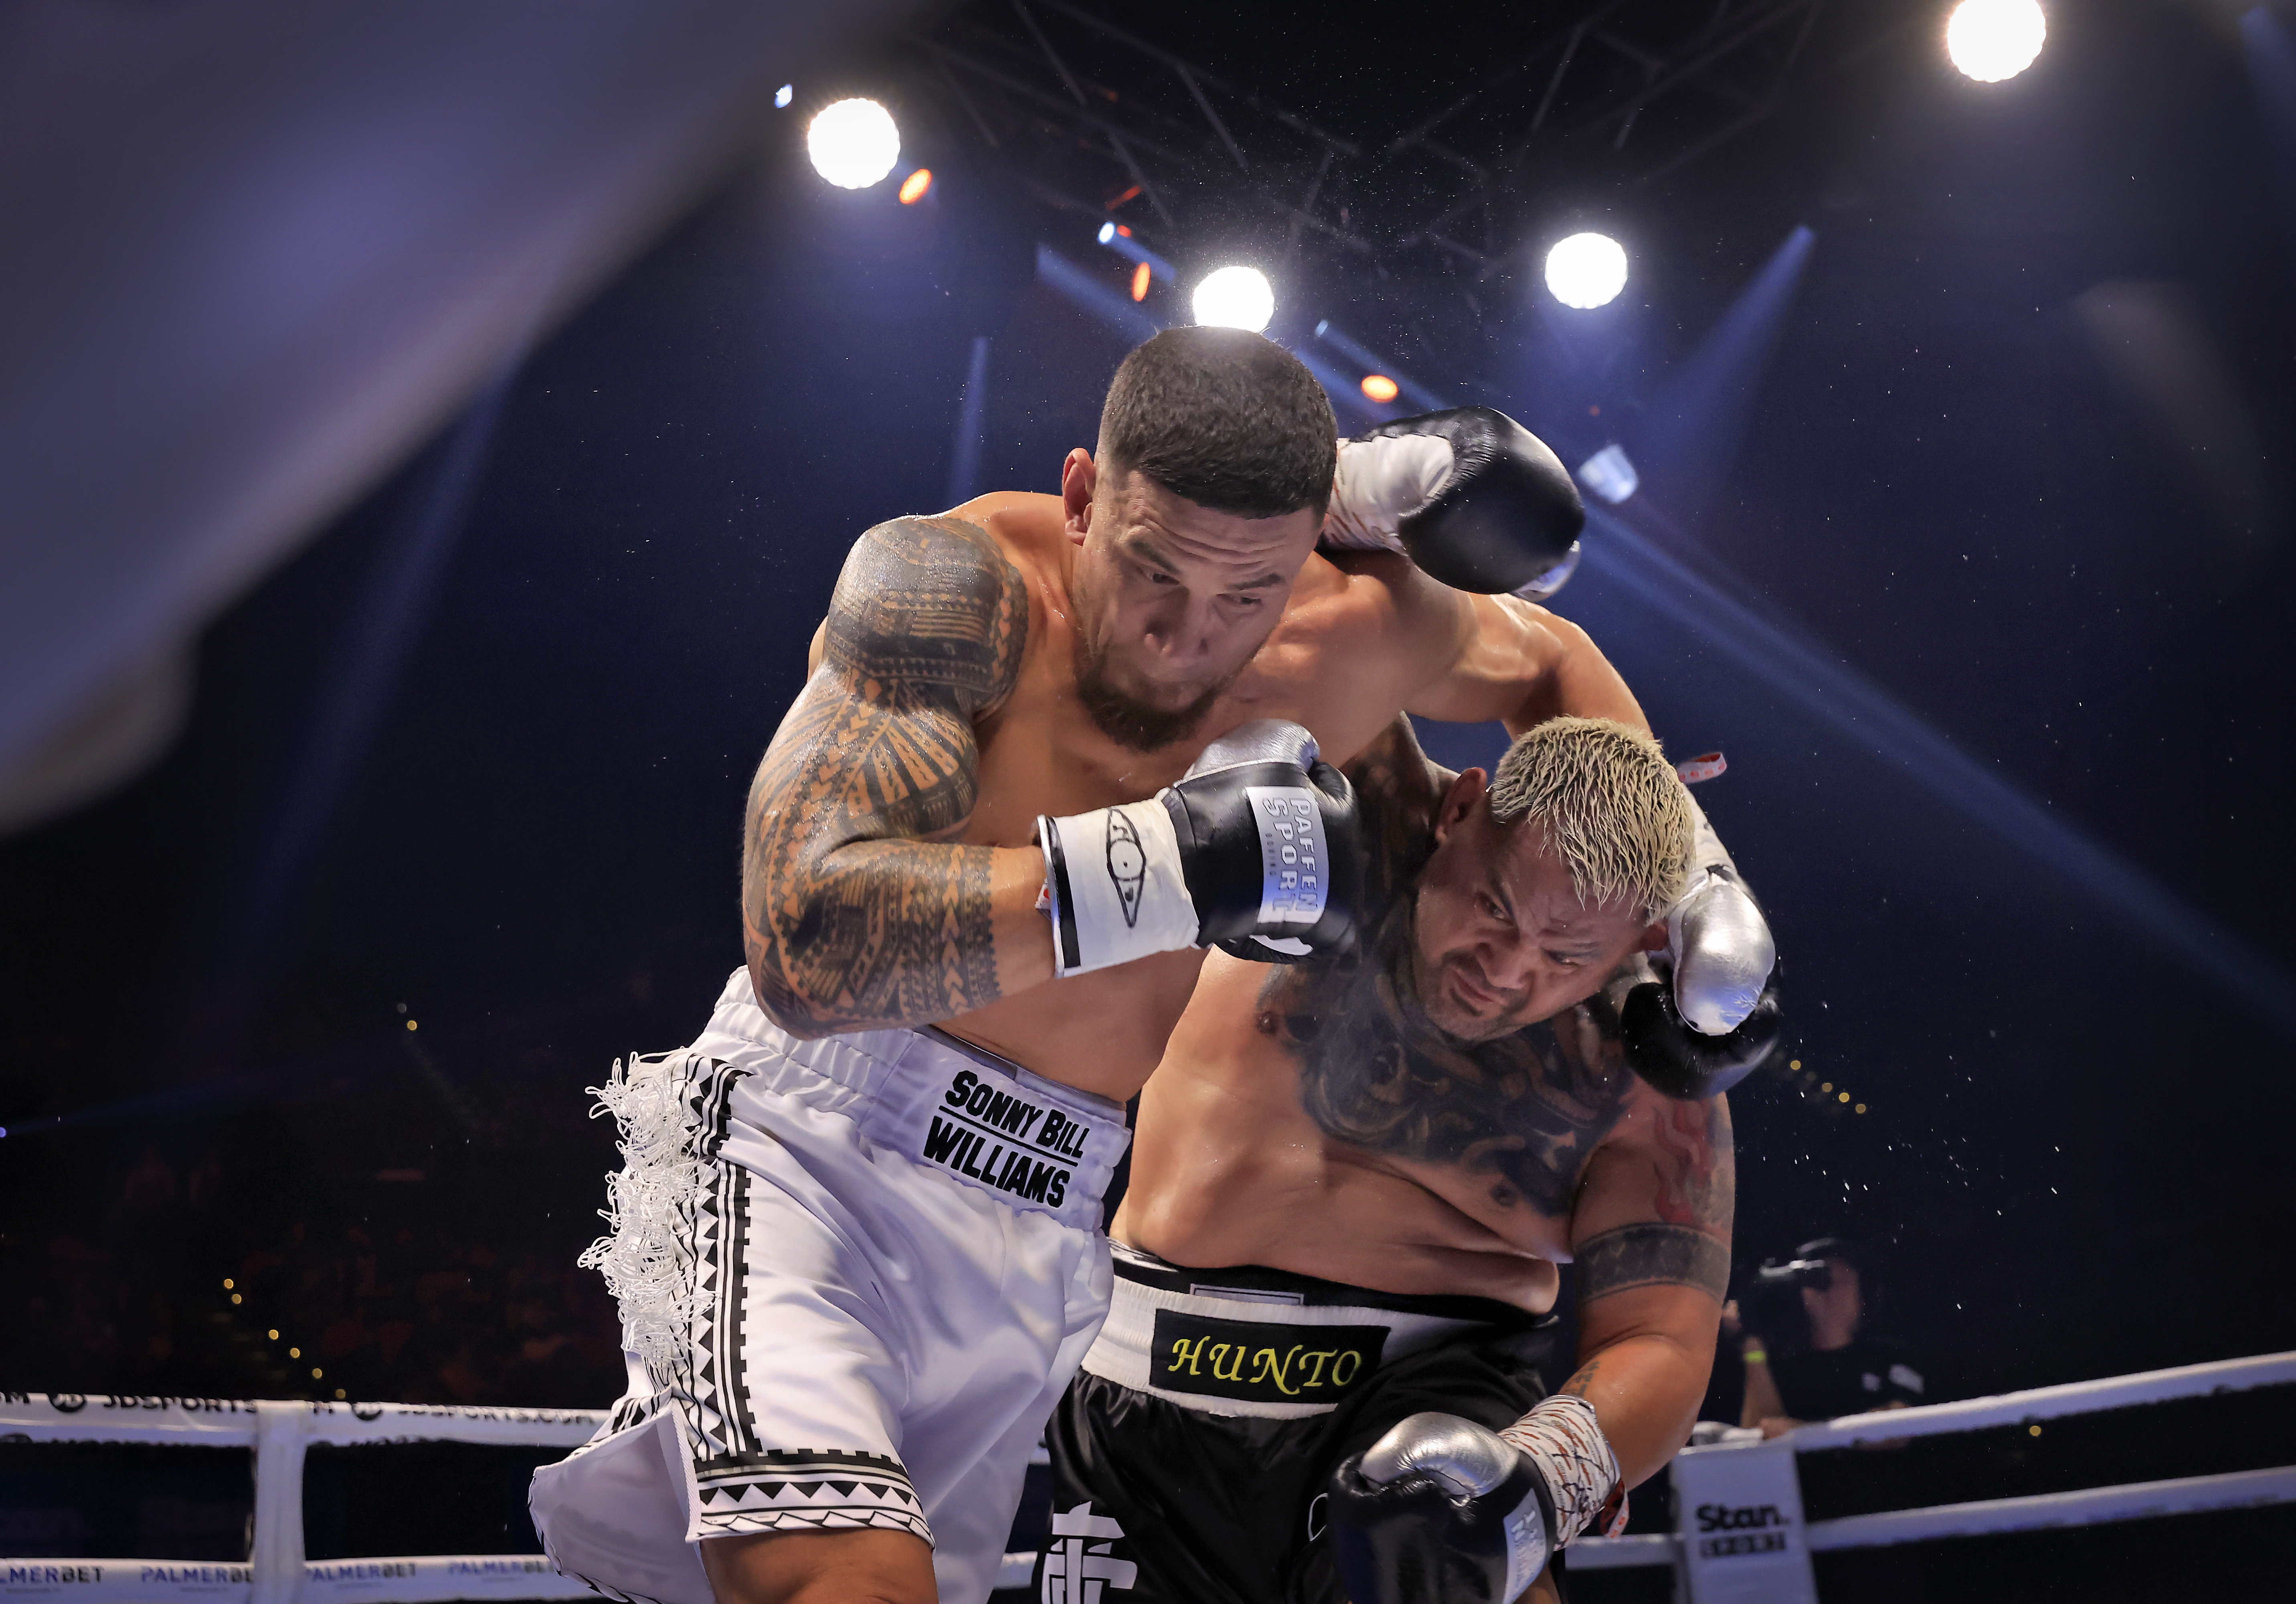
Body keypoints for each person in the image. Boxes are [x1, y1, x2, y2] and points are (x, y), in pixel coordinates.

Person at [528, 326, 1777, 1604]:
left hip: (1047, 1215)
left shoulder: (1345, 639)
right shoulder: (950, 587)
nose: (1188, 638)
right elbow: (805, 946)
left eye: (1246, 593)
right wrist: (1170, 862)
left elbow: (1549, 659)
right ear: (1081, 498)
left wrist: (1693, 894)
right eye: (1151, 573)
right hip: (813, 1147)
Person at [1046, 716, 1780, 1604]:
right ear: (1461, 806)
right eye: (1497, 906)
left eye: (1566, 956)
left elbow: (1660, 1337)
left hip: (1431, 1405)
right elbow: (1466, 622)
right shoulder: (1326, 828)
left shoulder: (1637, 1077)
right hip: (1143, 1408)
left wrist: (1542, 1478)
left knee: (1438, 1545)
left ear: (1644, 944)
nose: (1505, 969)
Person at [1730, 1238, 1926, 1437]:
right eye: (1818, 1281)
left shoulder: (1892, 1356)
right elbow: (1758, 1435)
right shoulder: (1786, 1364)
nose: (1829, 1291)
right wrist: (1752, 1348)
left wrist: (1805, 1432)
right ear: (1803, 1295)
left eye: (1841, 1281)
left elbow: (1897, 1430)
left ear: (1863, 1294)